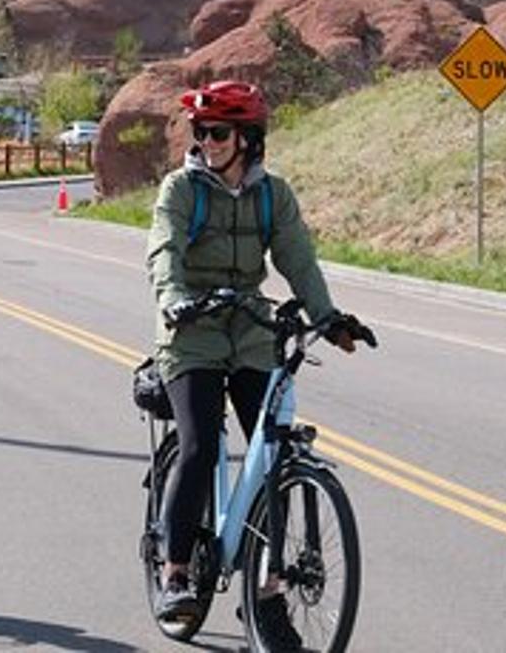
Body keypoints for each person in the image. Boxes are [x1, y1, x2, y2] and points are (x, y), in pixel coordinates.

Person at [146, 78, 362, 642]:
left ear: (248, 138)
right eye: (200, 132)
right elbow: (163, 251)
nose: (207, 142)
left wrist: (328, 316)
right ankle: (175, 572)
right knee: (200, 444)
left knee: (273, 452)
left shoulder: (273, 194)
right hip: (191, 330)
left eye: (218, 132)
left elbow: (298, 259)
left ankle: (266, 596)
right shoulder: (181, 190)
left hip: (251, 329)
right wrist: (173, 300)